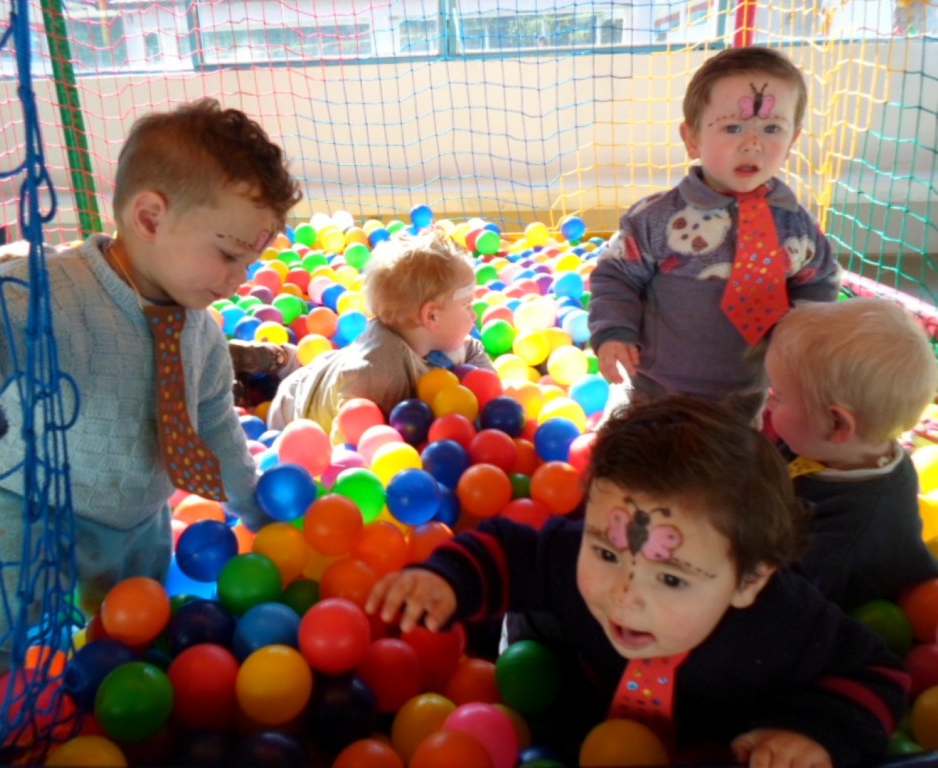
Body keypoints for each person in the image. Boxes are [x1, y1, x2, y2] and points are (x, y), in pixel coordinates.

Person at [0, 99, 302, 735]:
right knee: (1, 608)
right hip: (26, 500)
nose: (239, 278)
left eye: (250, 262)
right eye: (229, 253)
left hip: (136, 516)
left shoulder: (202, 333)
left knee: (133, 625)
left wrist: (255, 509)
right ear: (150, 217)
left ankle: (115, 701)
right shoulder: (52, 289)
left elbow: (217, 431)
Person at [367, 396, 909, 768]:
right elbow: (511, 549)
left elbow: (879, 672)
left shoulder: (781, 620)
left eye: (671, 578)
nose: (624, 594)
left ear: (748, 580)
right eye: (606, 552)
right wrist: (447, 579)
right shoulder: (569, 557)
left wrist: (810, 731)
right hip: (566, 712)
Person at [588, 46, 841, 421]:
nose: (753, 143)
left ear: (792, 140)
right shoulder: (656, 218)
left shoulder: (796, 226)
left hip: (748, 393)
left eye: (772, 128)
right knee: (645, 453)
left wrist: (804, 347)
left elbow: (818, 283)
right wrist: (614, 331)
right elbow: (616, 275)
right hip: (657, 388)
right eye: (732, 127)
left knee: (734, 459)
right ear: (692, 138)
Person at [765, 297, 938, 611]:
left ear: (837, 424)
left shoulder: (847, 538)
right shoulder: (821, 444)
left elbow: (789, 602)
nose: (768, 400)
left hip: (846, 610)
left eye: (779, 394)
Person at [267, 227, 494, 441]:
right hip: (296, 404)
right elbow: (348, 436)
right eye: (466, 304)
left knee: (333, 360)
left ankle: (290, 359)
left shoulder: (444, 340)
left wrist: (487, 396)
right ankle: (284, 361)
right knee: (326, 371)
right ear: (431, 316)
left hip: (333, 365)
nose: (473, 315)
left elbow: (472, 350)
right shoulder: (377, 373)